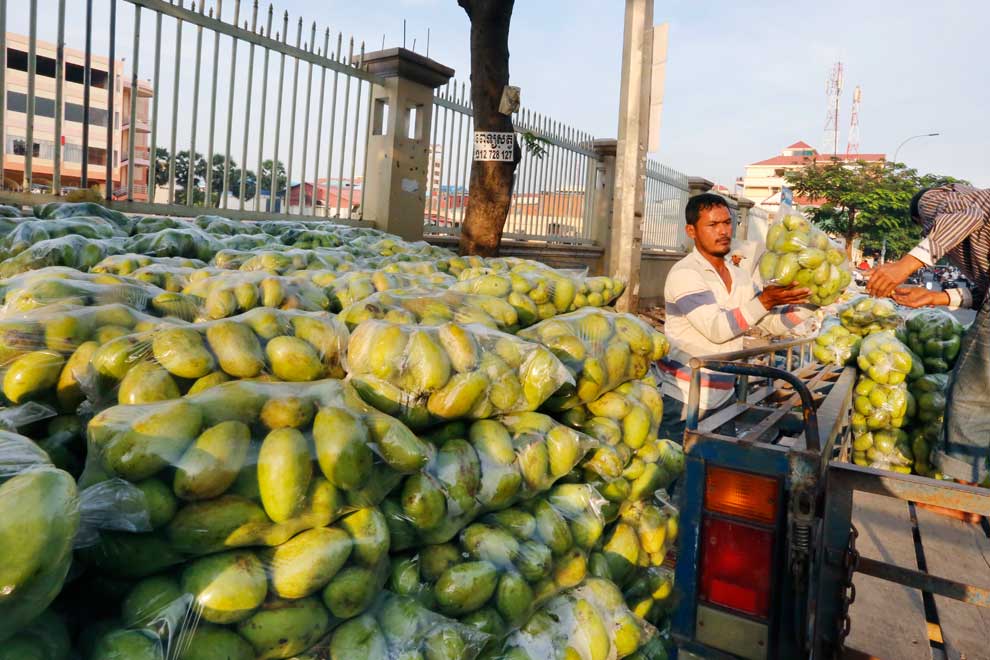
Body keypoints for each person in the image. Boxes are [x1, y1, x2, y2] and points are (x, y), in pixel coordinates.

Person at [658, 193, 813, 442]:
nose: (723, 231)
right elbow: (717, 329)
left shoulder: (739, 275)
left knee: (717, 465)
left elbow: (770, 323)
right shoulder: (685, 273)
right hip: (685, 398)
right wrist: (765, 301)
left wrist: (811, 303)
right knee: (678, 465)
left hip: (724, 397)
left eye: (727, 223)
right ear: (691, 231)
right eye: (712, 225)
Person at [867, 183, 990, 484]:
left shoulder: (937, 198)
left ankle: (963, 493)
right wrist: (935, 297)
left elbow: (967, 215)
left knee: (972, 396)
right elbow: (983, 292)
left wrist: (905, 265)